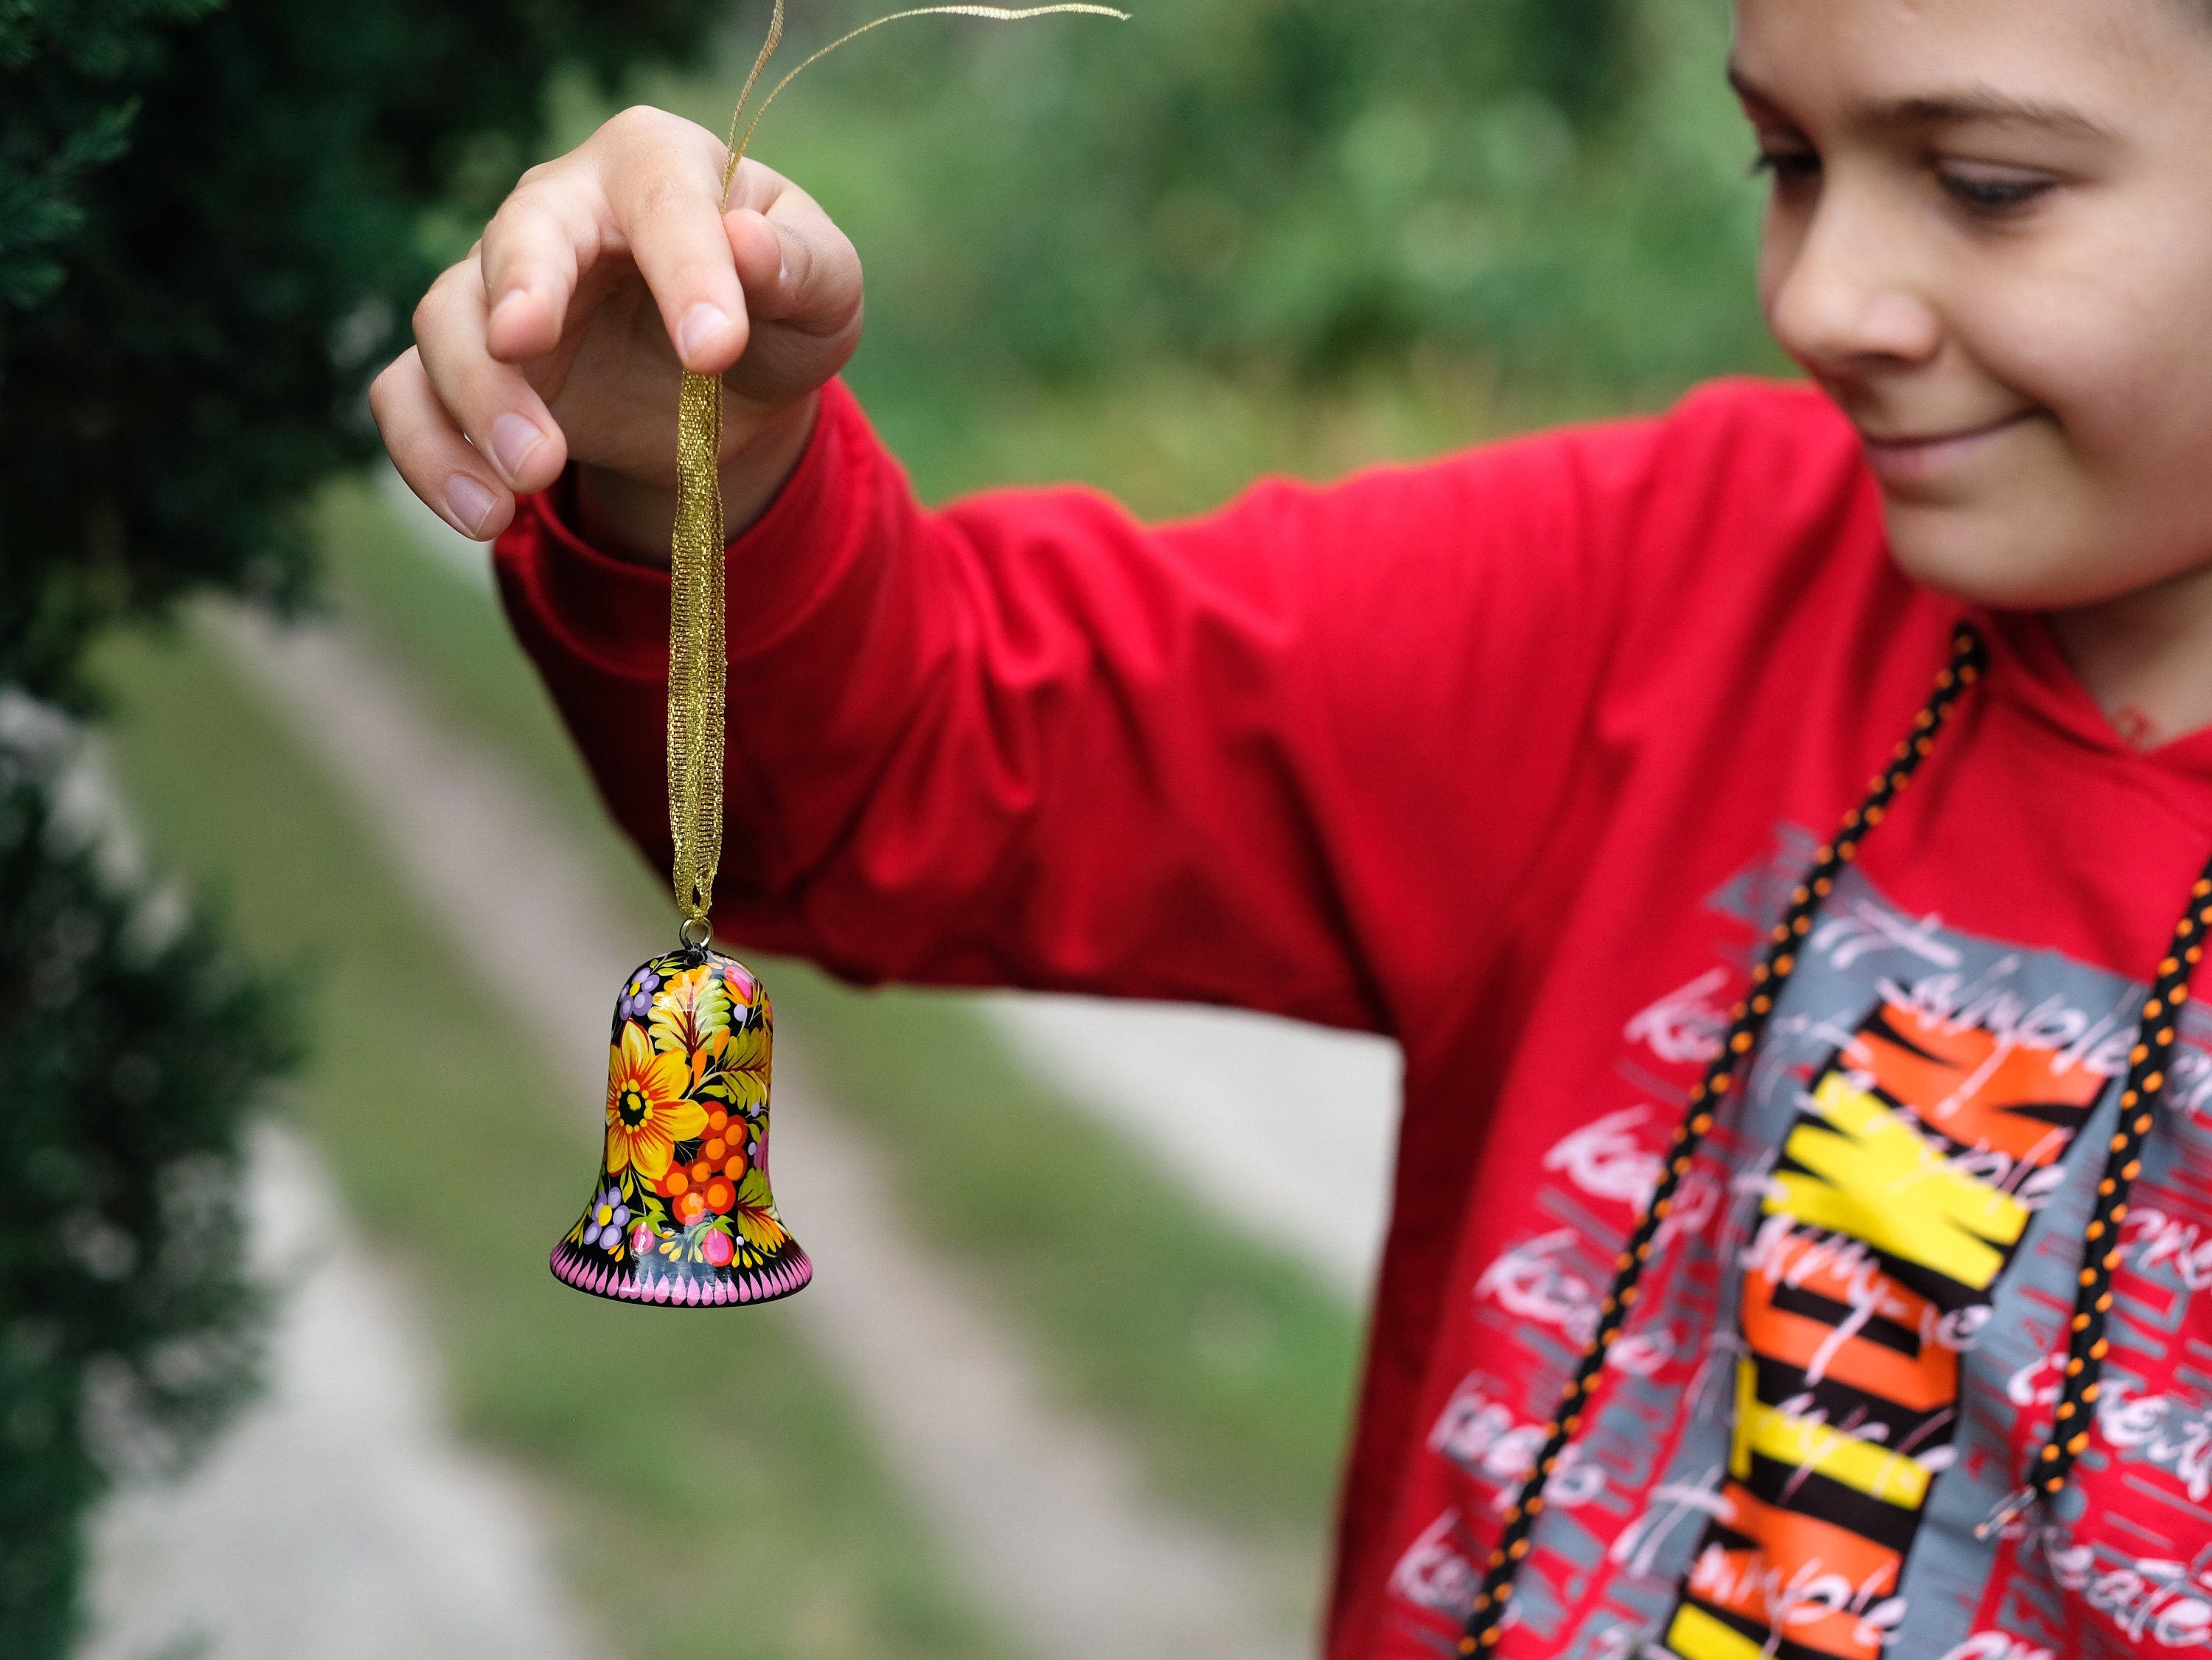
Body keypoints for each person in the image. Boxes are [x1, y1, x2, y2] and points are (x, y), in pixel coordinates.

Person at [370, 0, 2212, 1653]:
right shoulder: (1676, 595)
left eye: (1985, 183)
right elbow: (916, 760)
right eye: (1787, 160)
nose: (1817, 298)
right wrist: (704, 459)